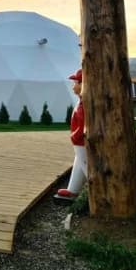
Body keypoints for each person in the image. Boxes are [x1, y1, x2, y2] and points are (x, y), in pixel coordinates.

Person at [54, 68, 86, 200]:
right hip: (78, 141)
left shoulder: (85, 103)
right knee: (79, 163)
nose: (73, 86)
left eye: (75, 83)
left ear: (83, 84)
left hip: (81, 141)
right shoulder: (82, 100)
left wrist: (76, 136)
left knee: (86, 164)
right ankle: (73, 189)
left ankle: (98, 189)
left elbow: (83, 123)